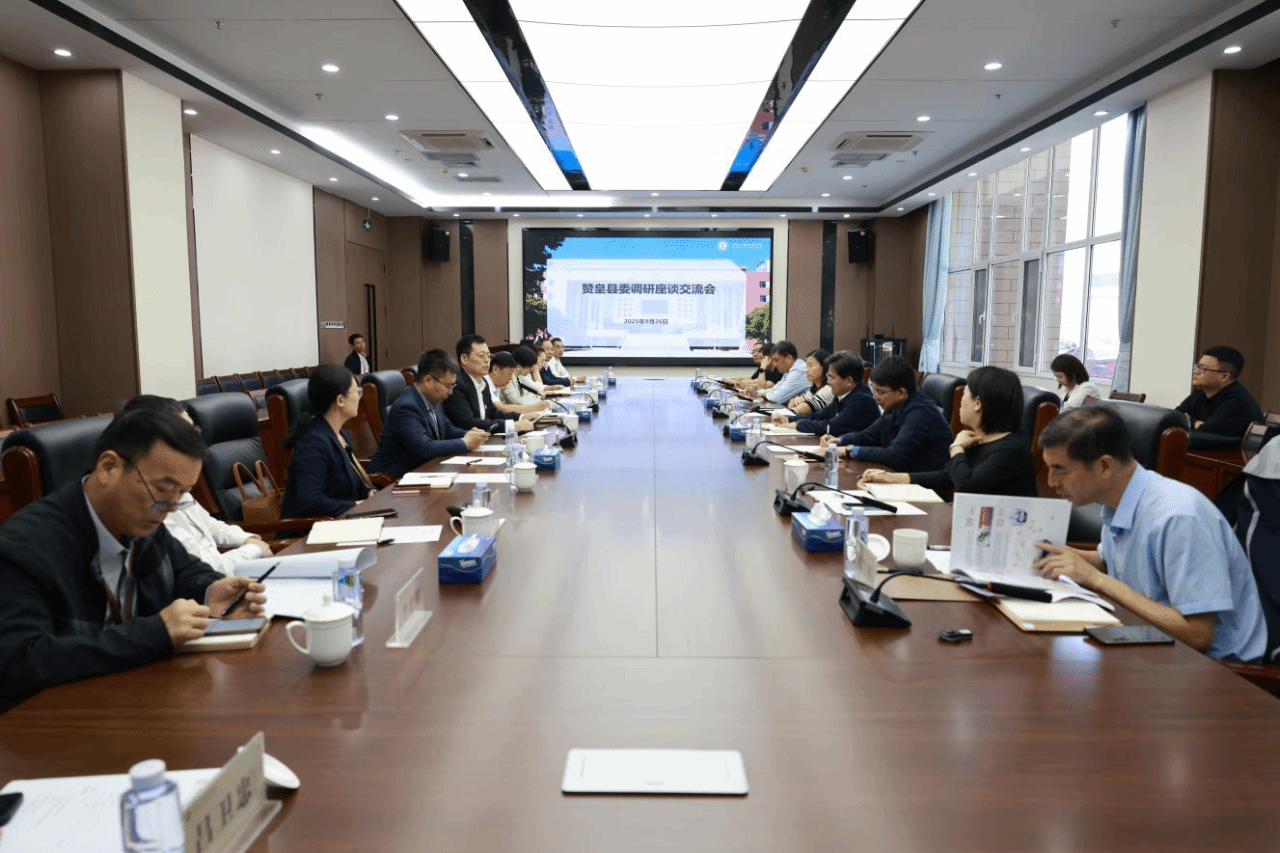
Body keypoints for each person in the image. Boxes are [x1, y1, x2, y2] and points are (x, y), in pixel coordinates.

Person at [0, 404, 267, 711]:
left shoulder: (143, 519)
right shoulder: (22, 549)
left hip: (137, 701)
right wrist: (155, 633)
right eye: (163, 490)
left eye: (182, 494)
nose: (170, 509)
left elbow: (184, 569)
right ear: (108, 467)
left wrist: (210, 590)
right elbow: (18, 662)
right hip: (56, 721)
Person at [1034, 407, 1267, 661]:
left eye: (1060, 469)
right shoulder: (1119, 499)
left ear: (1104, 466)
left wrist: (1097, 580)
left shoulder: (1179, 517)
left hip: (1217, 667)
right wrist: (1051, 552)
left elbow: (1198, 635)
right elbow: (1108, 561)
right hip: (1151, 640)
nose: (1051, 481)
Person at [121, 396, 272, 575]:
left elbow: (207, 524)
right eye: (185, 433)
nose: (195, 440)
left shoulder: (172, 478)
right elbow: (205, 568)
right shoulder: (145, 504)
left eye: (194, 430)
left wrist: (246, 539)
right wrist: (254, 549)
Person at [859, 365, 1037, 497]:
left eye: (965, 394)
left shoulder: (1010, 449)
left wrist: (957, 448)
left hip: (999, 530)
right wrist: (891, 478)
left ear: (977, 403)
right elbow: (947, 477)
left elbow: (967, 486)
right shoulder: (980, 438)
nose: (961, 402)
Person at [819, 355, 953, 473]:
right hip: (897, 475)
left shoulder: (920, 413)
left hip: (923, 487)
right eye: (874, 391)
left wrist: (848, 451)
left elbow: (894, 455)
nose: (875, 397)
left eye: (880, 391)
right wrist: (840, 440)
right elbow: (868, 435)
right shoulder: (896, 406)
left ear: (900, 392)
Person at [369, 349, 490, 478]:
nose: (451, 392)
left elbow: (447, 429)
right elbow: (424, 447)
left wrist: (469, 434)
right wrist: (464, 442)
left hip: (425, 470)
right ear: (428, 381)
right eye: (448, 386)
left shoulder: (434, 399)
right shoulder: (407, 407)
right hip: (392, 480)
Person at [282, 364, 378, 518]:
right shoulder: (313, 444)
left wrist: (369, 493)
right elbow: (309, 503)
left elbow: (354, 483)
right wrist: (357, 505)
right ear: (340, 400)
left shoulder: (341, 435)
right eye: (357, 392)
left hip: (345, 521)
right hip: (317, 528)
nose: (359, 397)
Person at [445, 335, 536, 433]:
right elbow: (467, 423)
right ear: (464, 359)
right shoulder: (456, 385)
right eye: (481, 356)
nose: (487, 360)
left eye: (488, 355)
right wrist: (511, 425)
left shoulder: (483, 383)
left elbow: (493, 413)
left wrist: (521, 417)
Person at [1176, 345, 1263, 441]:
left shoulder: (1238, 402)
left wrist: (1188, 421)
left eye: (1203, 369)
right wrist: (1194, 423)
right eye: (1197, 367)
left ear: (1224, 377)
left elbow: (1204, 436)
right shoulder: (1200, 393)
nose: (1196, 372)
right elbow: (1173, 417)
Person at [784, 351, 880, 437]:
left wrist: (797, 425)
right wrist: (788, 419)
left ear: (848, 381)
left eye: (832, 377)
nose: (828, 382)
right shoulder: (842, 395)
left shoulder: (862, 400)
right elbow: (818, 416)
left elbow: (832, 426)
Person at [491, 350, 550, 417]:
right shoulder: (505, 380)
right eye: (529, 367)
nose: (530, 370)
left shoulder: (518, 377)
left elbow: (537, 389)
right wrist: (535, 406)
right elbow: (512, 404)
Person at [783, 348, 834, 416]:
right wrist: (796, 401)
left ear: (824, 366)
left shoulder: (828, 389)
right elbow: (791, 404)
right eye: (807, 366)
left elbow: (800, 410)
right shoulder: (814, 390)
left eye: (811, 366)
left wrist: (798, 405)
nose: (806, 370)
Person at [756, 340, 808, 404]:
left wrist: (762, 394)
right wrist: (758, 393)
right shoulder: (788, 370)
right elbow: (776, 388)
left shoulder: (799, 371)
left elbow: (776, 398)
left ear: (788, 358)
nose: (775, 364)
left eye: (776, 360)